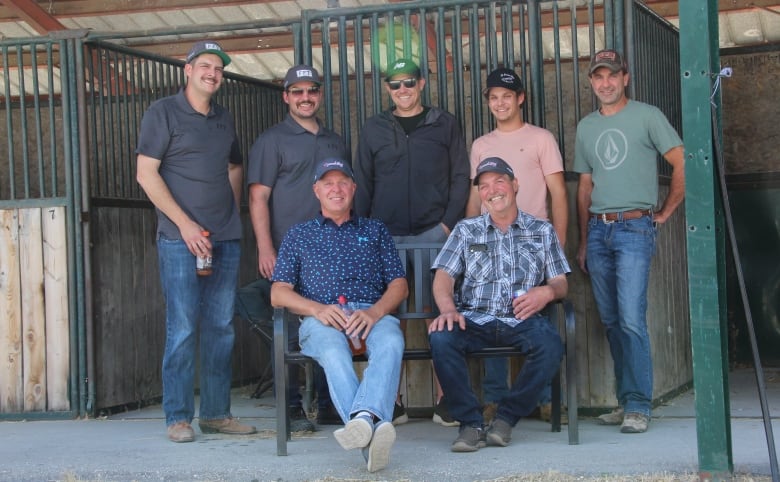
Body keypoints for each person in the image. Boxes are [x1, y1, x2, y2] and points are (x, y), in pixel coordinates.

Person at [135, 40, 256, 443]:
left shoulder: (224, 118)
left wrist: (230, 209)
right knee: (183, 326)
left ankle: (217, 413)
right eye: (205, 66)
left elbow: (235, 164)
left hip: (225, 238)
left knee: (221, 327)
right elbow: (146, 174)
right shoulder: (162, 113)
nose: (212, 73)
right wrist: (186, 225)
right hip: (179, 239)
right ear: (187, 70)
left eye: (218, 68)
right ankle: (179, 417)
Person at [271, 158, 408, 473]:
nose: (336, 189)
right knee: (332, 350)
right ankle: (371, 424)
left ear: (354, 188)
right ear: (316, 190)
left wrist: (375, 311)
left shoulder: (375, 230)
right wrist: (316, 309)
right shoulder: (299, 234)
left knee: (390, 342)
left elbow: (399, 285)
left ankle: (362, 423)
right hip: (321, 318)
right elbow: (278, 293)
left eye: (343, 182)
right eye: (328, 183)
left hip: (370, 314)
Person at [354, 57, 471, 426]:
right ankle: (392, 402)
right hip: (384, 237)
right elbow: (362, 182)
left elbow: (460, 176)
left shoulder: (445, 123)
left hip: (433, 235)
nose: (402, 90)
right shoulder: (373, 128)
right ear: (387, 89)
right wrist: (366, 234)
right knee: (389, 319)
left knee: (441, 312)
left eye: (409, 83)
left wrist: (448, 226)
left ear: (422, 84)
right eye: (395, 85)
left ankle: (446, 400)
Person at [574, 49, 685, 434]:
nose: (605, 83)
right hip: (600, 229)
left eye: (612, 76)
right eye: (598, 77)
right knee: (611, 320)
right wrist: (585, 239)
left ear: (625, 78)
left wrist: (666, 211)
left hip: (635, 227)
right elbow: (585, 186)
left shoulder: (647, 115)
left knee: (633, 319)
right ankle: (626, 402)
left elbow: (682, 160)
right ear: (591, 82)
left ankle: (639, 405)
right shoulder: (586, 127)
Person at [428, 157, 569, 452]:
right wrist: (448, 309)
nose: (492, 190)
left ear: (515, 185)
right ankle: (471, 424)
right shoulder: (466, 231)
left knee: (551, 345)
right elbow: (443, 277)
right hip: (474, 319)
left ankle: (505, 418)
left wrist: (546, 293)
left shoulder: (542, 230)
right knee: (441, 338)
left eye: (499, 182)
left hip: (522, 319)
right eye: (484, 186)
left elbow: (560, 282)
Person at [247, 64, 349, 430]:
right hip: (288, 251)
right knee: (287, 330)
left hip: (330, 251)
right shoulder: (271, 140)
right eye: (298, 91)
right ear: (286, 96)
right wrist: (265, 247)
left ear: (320, 94)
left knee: (330, 322)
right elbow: (258, 197)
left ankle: (327, 405)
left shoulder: (334, 140)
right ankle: (290, 408)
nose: (306, 98)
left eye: (312, 91)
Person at [467, 67, 569, 424]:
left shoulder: (541, 138)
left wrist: (559, 243)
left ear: (520, 98)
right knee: (491, 310)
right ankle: (494, 398)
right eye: (493, 98)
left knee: (533, 318)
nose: (500, 103)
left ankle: (540, 399)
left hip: (531, 244)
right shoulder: (482, 145)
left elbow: (558, 192)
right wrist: (469, 237)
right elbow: (474, 197)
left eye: (506, 97)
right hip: (490, 244)